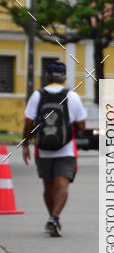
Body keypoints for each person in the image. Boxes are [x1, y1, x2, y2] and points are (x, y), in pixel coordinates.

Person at [22, 60, 86, 237]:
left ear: (47, 76)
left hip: (42, 149)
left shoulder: (37, 95)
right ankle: (55, 217)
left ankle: (52, 217)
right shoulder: (72, 96)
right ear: (64, 77)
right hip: (66, 148)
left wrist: (26, 145)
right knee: (62, 184)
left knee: (48, 186)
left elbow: (28, 122)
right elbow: (81, 125)